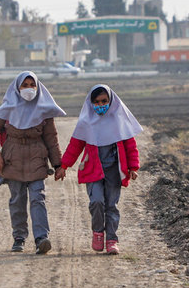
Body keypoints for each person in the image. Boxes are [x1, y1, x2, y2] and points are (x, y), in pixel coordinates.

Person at [0, 71, 66, 254]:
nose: (29, 89)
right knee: (17, 200)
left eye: (32, 85)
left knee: (38, 198)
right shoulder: (7, 109)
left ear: (38, 88)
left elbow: (52, 140)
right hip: (12, 159)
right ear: (17, 87)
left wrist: (58, 165)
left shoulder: (44, 111)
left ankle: (41, 238)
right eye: (25, 85)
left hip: (37, 158)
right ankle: (19, 237)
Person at [56, 84, 141, 255]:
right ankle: (97, 233)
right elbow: (75, 146)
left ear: (111, 102)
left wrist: (133, 167)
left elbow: (130, 146)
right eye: (96, 102)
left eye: (104, 101)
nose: (100, 105)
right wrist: (63, 166)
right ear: (90, 103)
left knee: (111, 205)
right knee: (96, 202)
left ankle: (111, 239)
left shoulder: (119, 122)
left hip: (114, 171)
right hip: (93, 169)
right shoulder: (86, 123)